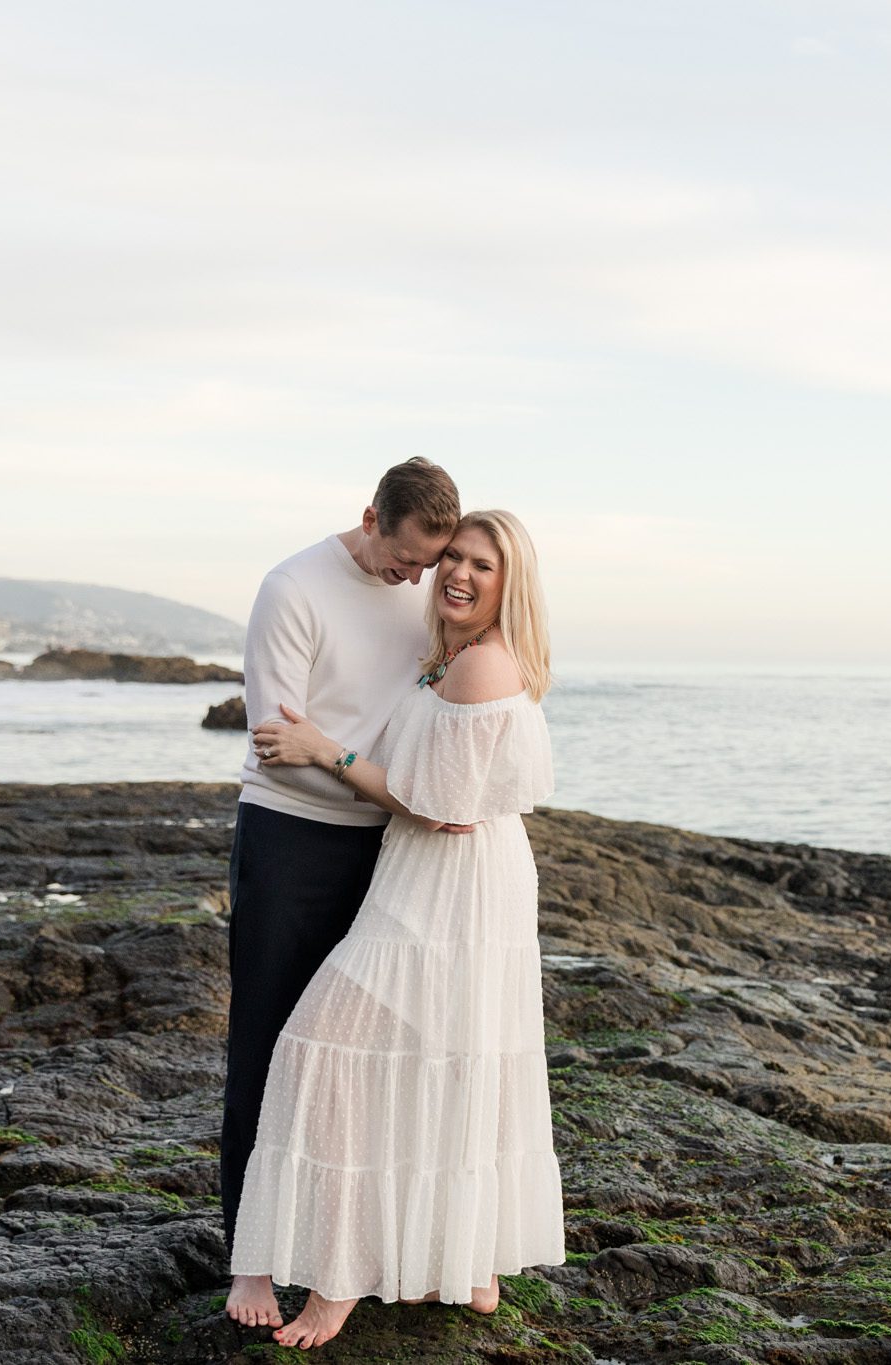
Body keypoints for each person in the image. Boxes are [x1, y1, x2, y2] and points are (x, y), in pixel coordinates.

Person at [232, 509, 567, 1349]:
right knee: (450, 1056)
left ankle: (340, 1278)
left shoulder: (481, 665)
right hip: (440, 876)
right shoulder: (456, 654)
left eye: (481, 565)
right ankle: (469, 1262)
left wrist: (321, 748)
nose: (457, 573)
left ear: (509, 583)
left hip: (448, 888)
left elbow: (437, 804)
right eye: (451, 556)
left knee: (322, 1049)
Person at [222, 458, 464, 1331]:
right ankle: (250, 1260)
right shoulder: (293, 587)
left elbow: (368, 734)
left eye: (426, 567)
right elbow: (278, 745)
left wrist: (349, 763)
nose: (414, 579)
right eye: (403, 561)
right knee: (269, 1041)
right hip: (290, 838)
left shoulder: (427, 591)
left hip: (391, 851)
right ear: (369, 515)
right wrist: (369, 773)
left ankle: (349, 1249)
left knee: (367, 1059)